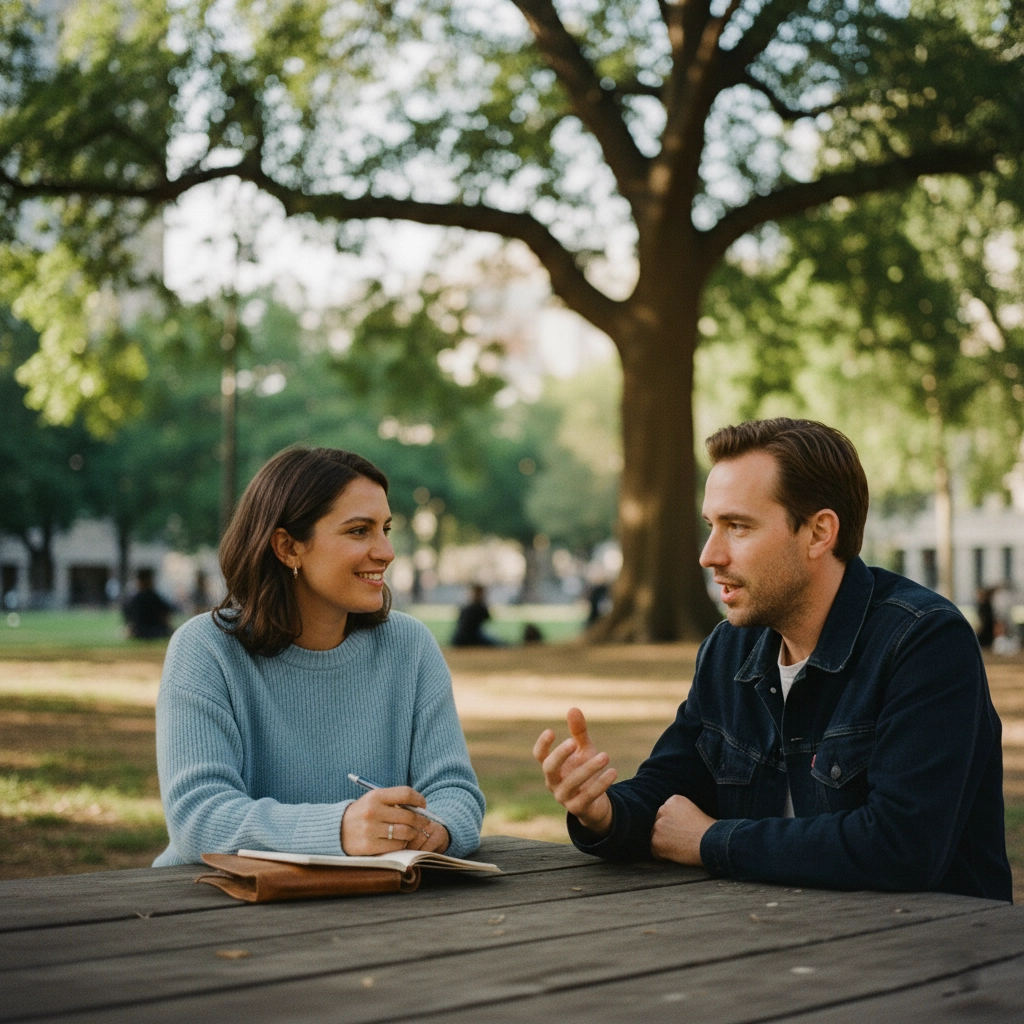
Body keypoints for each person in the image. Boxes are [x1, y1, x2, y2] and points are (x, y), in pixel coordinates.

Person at [535, 418, 1011, 901]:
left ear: (819, 533)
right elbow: (668, 791)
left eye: (737, 527)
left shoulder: (924, 641)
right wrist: (603, 812)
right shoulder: (729, 650)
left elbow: (902, 846)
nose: (708, 555)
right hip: (775, 943)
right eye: (711, 527)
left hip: (932, 956)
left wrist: (710, 841)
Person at [153, 446, 485, 866]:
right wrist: (340, 829)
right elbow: (198, 819)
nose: (386, 551)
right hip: (210, 911)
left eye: (386, 528)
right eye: (359, 531)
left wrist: (439, 830)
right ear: (288, 547)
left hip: (374, 910)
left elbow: (455, 791)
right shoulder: (205, 649)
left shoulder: (410, 646)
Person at [122, 568, 175, 639]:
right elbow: (165, 615)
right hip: (157, 631)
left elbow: (128, 619)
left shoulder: (133, 599)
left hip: (139, 632)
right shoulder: (154, 597)